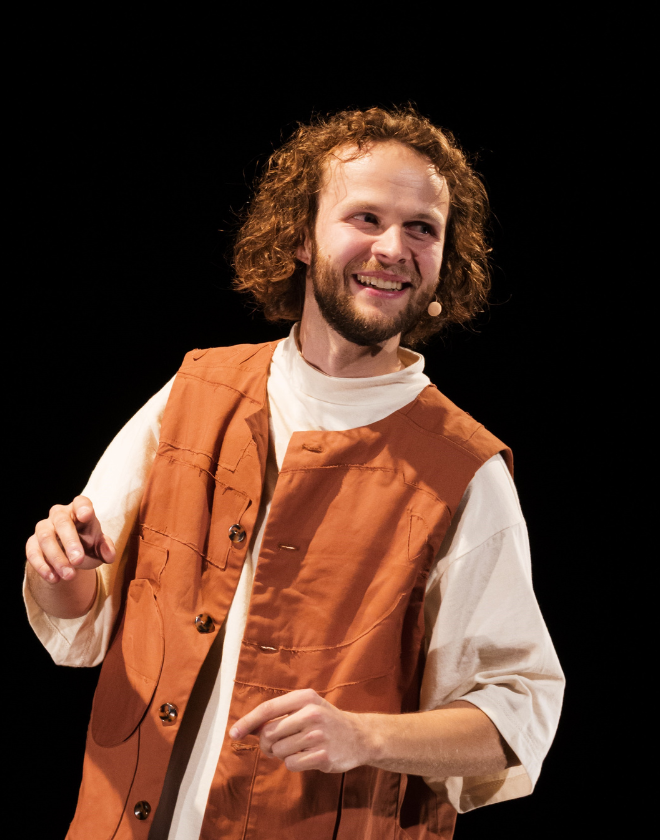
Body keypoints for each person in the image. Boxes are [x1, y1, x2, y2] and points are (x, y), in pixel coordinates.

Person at [24, 107, 564, 840]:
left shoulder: (463, 469)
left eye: (422, 228)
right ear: (301, 237)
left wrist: (366, 736)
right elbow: (79, 618)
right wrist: (55, 568)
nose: (392, 248)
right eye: (366, 217)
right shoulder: (195, 390)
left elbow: (521, 710)